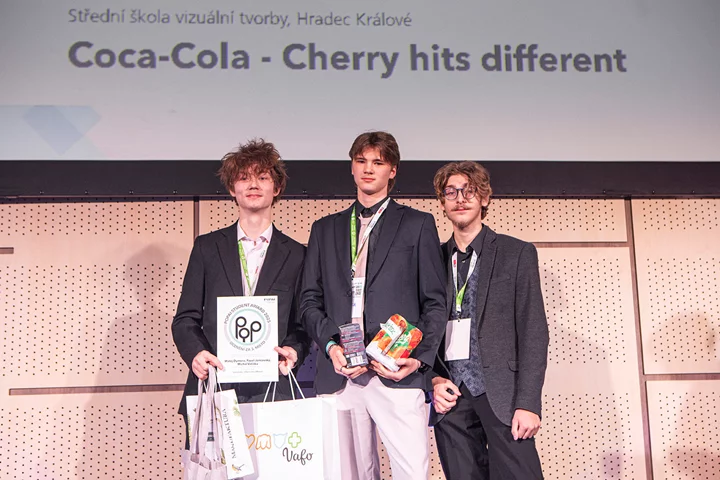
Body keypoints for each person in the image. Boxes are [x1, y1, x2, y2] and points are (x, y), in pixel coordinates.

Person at [300, 131, 448, 480]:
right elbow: (308, 301)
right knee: (349, 474)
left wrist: (418, 359)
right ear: (352, 167)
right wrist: (331, 346)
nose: (368, 169)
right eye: (361, 161)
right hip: (340, 373)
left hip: (395, 371)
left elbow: (435, 302)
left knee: (412, 474)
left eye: (378, 162)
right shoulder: (324, 229)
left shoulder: (418, 224)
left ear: (392, 171)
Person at [172, 139, 309, 443]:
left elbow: (302, 324)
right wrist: (196, 354)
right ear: (232, 189)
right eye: (244, 177)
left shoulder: (298, 255)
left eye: (263, 177)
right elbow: (185, 319)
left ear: (277, 188)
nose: (253, 184)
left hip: (273, 389)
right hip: (216, 385)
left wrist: (294, 351)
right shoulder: (207, 248)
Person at [429, 161, 549, 479]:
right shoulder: (431, 259)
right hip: (450, 398)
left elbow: (533, 331)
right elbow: (421, 330)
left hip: (503, 396)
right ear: (442, 202)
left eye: (469, 191)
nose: (460, 198)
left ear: (484, 198)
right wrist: (433, 381)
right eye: (451, 192)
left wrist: (528, 403)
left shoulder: (516, 253)